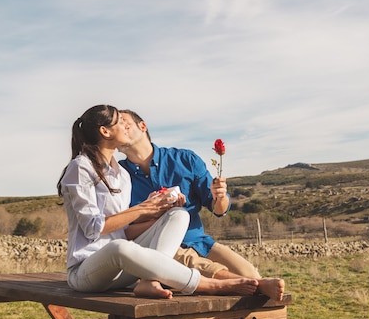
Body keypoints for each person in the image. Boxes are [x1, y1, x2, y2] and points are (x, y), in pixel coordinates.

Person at [118, 110, 298, 319]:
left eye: (124, 122)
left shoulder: (184, 160)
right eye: (115, 125)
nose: (120, 127)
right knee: (202, 268)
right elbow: (125, 227)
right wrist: (158, 213)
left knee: (249, 271)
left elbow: (219, 209)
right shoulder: (120, 175)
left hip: (199, 240)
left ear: (142, 126)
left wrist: (220, 196)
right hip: (157, 247)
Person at [57, 104, 260, 299]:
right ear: (105, 132)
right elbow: (95, 229)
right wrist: (143, 209)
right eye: (120, 122)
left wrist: (156, 211)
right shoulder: (82, 167)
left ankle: (150, 279)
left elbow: (124, 230)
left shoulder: (121, 175)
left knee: (180, 214)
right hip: (90, 267)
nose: (125, 127)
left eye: (126, 122)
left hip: (132, 267)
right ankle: (209, 285)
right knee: (120, 247)